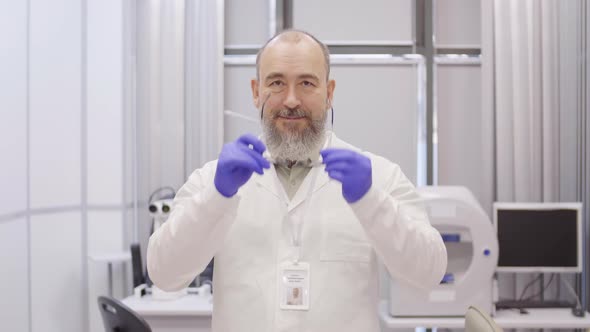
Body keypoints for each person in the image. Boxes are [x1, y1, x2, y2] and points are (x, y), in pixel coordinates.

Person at [147, 29, 447, 332]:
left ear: (329, 92)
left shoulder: (379, 177)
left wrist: (371, 201)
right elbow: (164, 274)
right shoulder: (214, 179)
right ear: (256, 91)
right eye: (276, 83)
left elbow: (429, 273)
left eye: (306, 83)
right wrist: (216, 197)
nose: (291, 100)